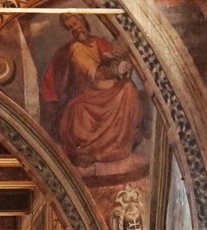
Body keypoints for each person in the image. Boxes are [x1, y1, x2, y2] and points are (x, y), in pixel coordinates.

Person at [40, 13, 143, 168]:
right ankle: (94, 151)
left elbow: (121, 66)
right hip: (88, 96)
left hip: (111, 91)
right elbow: (96, 74)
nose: (75, 29)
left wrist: (122, 61)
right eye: (70, 28)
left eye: (75, 24)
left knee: (128, 88)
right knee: (80, 111)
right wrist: (117, 69)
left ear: (84, 22)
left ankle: (122, 142)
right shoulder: (76, 49)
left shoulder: (101, 42)